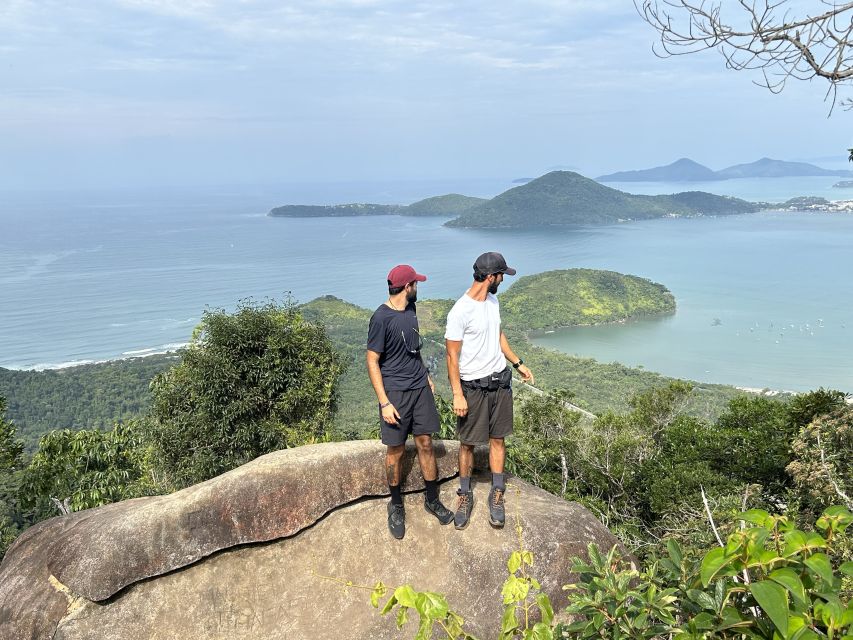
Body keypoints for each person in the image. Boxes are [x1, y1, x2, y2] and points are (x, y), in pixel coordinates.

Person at [444, 252, 534, 529]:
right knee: (468, 443)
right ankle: (464, 493)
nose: (503, 280)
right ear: (490, 277)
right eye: (502, 275)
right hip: (473, 387)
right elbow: (451, 356)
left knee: (498, 439)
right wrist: (458, 394)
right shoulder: (460, 310)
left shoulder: (493, 301)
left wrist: (516, 362)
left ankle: (497, 493)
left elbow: (498, 334)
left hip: (500, 383)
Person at [367, 264, 454, 539]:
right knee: (395, 450)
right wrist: (384, 402)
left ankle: (431, 499)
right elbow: (372, 360)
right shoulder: (381, 318)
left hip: (419, 388)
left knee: (425, 443)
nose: (418, 287)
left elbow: (412, 348)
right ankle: (395, 504)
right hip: (395, 393)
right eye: (416, 283)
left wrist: (426, 374)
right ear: (407, 287)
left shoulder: (411, 310)